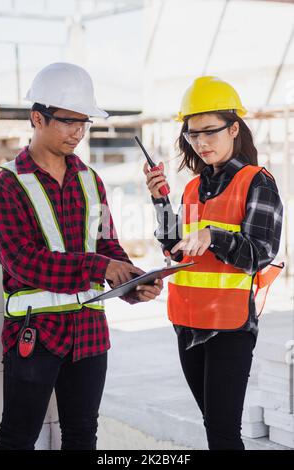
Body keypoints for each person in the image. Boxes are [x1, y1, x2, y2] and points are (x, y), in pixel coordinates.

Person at [0, 62, 163, 450]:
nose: (79, 132)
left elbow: (108, 247)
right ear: (38, 118)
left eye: (84, 122)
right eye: (69, 122)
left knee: (82, 435)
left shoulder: (91, 181)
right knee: (17, 438)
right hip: (34, 335)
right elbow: (21, 260)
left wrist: (132, 284)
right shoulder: (7, 183)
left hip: (89, 334)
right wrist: (100, 266)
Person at [143, 76, 283, 450]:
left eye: (210, 132)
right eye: (192, 135)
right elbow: (176, 250)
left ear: (234, 128)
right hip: (187, 323)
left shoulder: (257, 182)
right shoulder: (192, 187)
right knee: (213, 426)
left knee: (222, 434)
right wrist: (161, 202)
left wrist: (214, 236)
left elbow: (260, 253)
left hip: (228, 328)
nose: (200, 143)